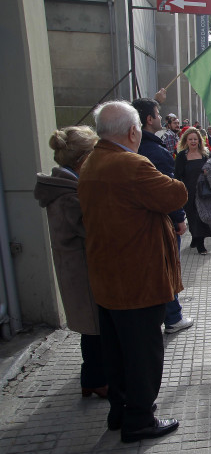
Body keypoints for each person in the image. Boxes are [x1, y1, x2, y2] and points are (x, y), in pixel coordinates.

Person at [78, 100, 186, 443]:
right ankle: (139, 419)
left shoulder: (92, 161)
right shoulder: (130, 164)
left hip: (108, 279)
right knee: (143, 355)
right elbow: (175, 193)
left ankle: (119, 412)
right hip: (137, 279)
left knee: (117, 352)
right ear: (133, 131)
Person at [34, 126, 107, 398]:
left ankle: (91, 378)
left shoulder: (67, 186)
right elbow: (92, 230)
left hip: (78, 267)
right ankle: (97, 380)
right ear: (84, 158)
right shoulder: (69, 194)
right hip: (82, 270)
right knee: (94, 330)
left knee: (93, 329)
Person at [132, 97, 194, 334]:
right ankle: (172, 316)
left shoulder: (137, 148)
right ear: (149, 120)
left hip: (143, 224)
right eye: (158, 114)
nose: (161, 118)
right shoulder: (155, 152)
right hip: (162, 222)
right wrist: (179, 218)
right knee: (168, 267)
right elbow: (168, 191)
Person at [175, 127, 211, 255]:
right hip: (188, 192)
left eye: (195, 139)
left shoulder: (205, 154)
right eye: (190, 139)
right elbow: (177, 175)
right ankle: (194, 237)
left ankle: (201, 244)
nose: (193, 142)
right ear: (186, 140)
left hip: (203, 192)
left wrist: (209, 173)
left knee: (201, 217)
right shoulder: (181, 156)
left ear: (199, 140)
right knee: (191, 217)